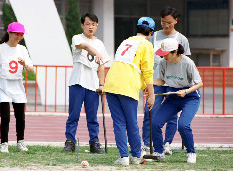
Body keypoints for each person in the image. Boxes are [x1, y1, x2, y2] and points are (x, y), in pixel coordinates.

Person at [104, 17, 155, 165]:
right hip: (127, 85)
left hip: (111, 82)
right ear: (151, 33)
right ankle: (136, 156)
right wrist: (151, 94)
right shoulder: (146, 45)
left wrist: (144, 86)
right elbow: (148, 71)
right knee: (131, 122)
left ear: (137, 28)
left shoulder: (125, 41)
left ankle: (124, 157)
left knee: (118, 122)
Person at [142, 6, 191, 155]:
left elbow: (185, 60)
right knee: (149, 110)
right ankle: (146, 142)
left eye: (169, 22)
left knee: (171, 113)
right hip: (155, 80)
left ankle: (167, 143)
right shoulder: (153, 36)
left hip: (173, 81)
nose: (166, 25)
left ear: (175, 21)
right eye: (163, 22)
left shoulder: (181, 39)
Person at [62, 12, 110, 154]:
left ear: (97, 26)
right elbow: (84, 46)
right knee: (74, 115)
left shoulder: (100, 43)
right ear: (82, 25)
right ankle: (70, 142)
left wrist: (101, 85)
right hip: (77, 82)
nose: (90, 27)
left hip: (93, 85)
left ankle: (94, 143)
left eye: (93, 24)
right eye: (88, 24)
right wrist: (95, 51)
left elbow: (101, 66)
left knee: (92, 116)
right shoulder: (77, 38)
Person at [152, 38, 203, 163]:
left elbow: (199, 83)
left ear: (175, 52)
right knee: (155, 123)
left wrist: (185, 91)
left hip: (190, 96)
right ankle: (159, 152)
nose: (164, 57)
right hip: (173, 96)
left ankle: (191, 152)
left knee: (183, 125)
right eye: (162, 54)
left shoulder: (188, 63)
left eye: (166, 54)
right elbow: (162, 80)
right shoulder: (163, 62)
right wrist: (147, 83)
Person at [0, 22, 33, 153]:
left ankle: (20, 142)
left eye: (21, 35)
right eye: (16, 34)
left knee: (20, 116)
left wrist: (25, 65)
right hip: (3, 86)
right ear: (9, 33)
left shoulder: (22, 49)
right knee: (5, 116)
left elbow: (30, 68)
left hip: (17, 86)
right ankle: (4, 143)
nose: (19, 37)